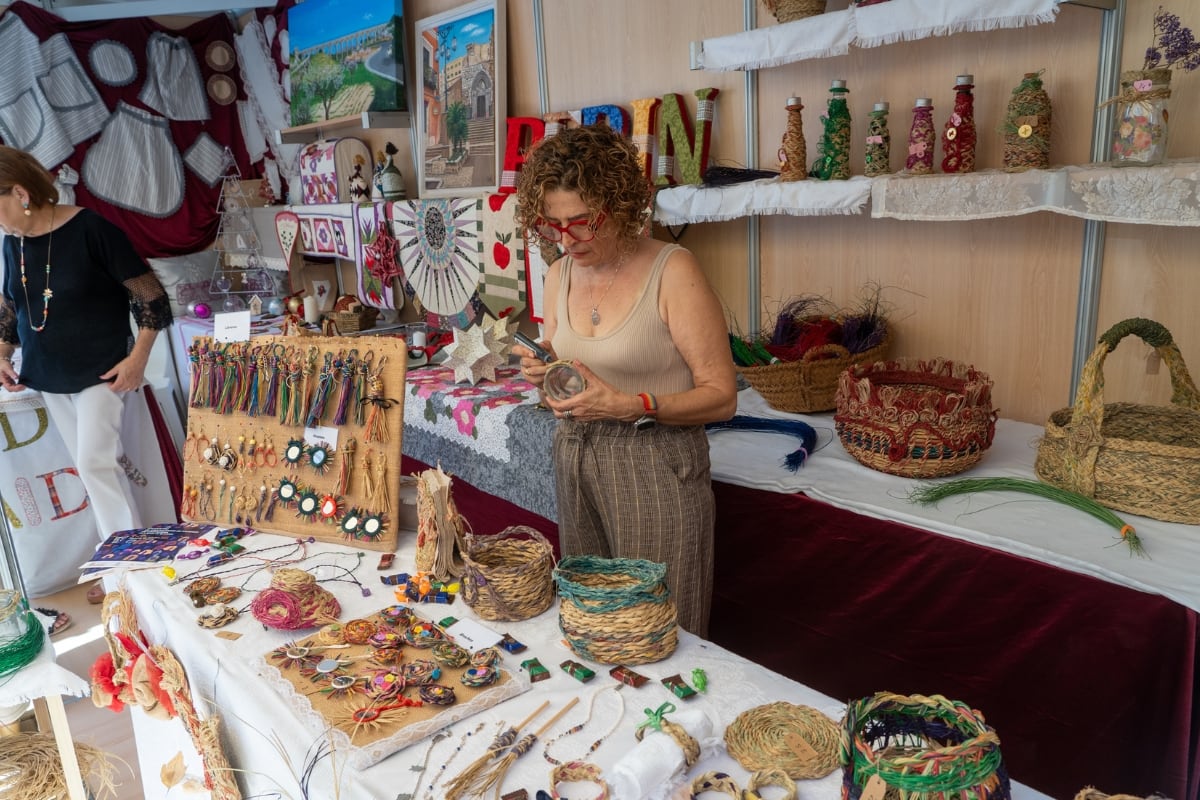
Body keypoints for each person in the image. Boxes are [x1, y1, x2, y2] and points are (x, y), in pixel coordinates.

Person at [513, 124, 737, 636]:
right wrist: (547, 376)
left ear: (619, 204)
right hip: (575, 452)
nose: (566, 239)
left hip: (654, 462)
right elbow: (570, 389)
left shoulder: (673, 270)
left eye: (582, 222)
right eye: (552, 225)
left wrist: (631, 404)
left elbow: (721, 397)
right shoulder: (559, 274)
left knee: (659, 628)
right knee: (596, 622)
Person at [0, 146, 173, 630]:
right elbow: (12, 304)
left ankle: (126, 572)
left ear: (19, 192)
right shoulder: (13, 241)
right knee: (94, 468)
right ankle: (123, 558)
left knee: (97, 465)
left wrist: (138, 359)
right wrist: (2, 352)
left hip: (102, 372)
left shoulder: (93, 229)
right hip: (49, 375)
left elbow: (153, 301)